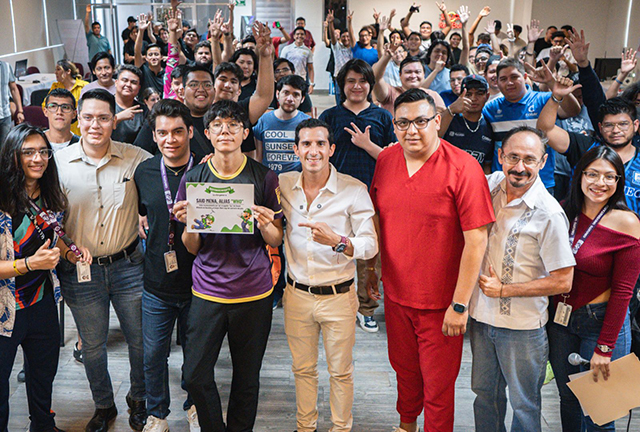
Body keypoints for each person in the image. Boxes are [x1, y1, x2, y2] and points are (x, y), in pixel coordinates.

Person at [367, 88, 494, 432]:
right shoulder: (386, 160)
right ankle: (406, 425)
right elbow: (379, 220)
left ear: (437, 121)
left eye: (421, 121)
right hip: (396, 295)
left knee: (438, 386)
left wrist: (459, 304)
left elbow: (476, 240)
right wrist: (372, 269)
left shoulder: (464, 168)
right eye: (403, 123)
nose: (412, 130)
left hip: (441, 303)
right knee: (405, 372)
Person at [172, 100, 283, 432]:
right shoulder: (194, 178)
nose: (225, 131)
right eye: (218, 125)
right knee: (193, 375)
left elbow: (276, 239)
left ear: (244, 133)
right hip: (208, 290)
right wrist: (190, 224)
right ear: (207, 133)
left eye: (233, 125)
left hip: (253, 292)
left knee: (247, 379)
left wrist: (265, 225)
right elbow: (190, 247)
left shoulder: (264, 177)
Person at [55, 89, 151, 432]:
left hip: (128, 267)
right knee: (93, 345)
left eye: (103, 118)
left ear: (115, 120)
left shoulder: (136, 157)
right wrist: (65, 250)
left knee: (141, 341)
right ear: (77, 120)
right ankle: (104, 405)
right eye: (88, 118)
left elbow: (173, 168)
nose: (95, 125)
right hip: (80, 272)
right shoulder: (58, 163)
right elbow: (48, 220)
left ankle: (138, 399)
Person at [468, 126, 575, 432]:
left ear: (543, 162)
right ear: (500, 156)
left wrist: (504, 290)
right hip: (481, 319)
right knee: (484, 396)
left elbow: (563, 281)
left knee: (525, 405)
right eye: (513, 157)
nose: (519, 167)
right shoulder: (490, 185)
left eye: (529, 159)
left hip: (523, 329)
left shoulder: (549, 214)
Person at [279, 118, 378, 432]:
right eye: (306, 144)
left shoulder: (353, 189)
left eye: (320, 143)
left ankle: (340, 428)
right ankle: (305, 427)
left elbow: (370, 243)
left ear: (331, 149)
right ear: (296, 149)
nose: (313, 151)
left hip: (338, 295)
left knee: (340, 371)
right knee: (303, 369)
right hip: (296, 294)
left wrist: (339, 241)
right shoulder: (281, 183)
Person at [0, 124, 90, 432]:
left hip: (42, 303)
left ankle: (42, 425)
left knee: (42, 374)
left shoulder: (50, 195)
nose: (38, 158)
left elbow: (58, 239)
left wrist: (70, 254)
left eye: (43, 151)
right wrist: (29, 264)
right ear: (13, 156)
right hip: (5, 309)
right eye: (28, 152)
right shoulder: (2, 199)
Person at [548, 146, 640, 432]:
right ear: (579, 176)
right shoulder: (564, 211)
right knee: (568, 400)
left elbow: (624, 292)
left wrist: (605, 347)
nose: (600, 183)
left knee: (600, 413)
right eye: (593, 174)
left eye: (610, 177)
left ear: (618, 182)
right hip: (561, 321)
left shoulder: (627, 222)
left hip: (601, 323)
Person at [133, 100, 199, 432]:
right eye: (162, 133)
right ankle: (157, 414)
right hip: (155, 284)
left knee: (197, 356)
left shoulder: (204, 171)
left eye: (177, 131)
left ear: (189, 131)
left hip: (199, 285)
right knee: (153, 356)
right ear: (154, 136)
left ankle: (195, 405)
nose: (170, 139)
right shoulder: (144, 172)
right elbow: (139, 211)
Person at [319, 59, 397, 332]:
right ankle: (336, 305)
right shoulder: (329, 117)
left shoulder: (383, 117)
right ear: (342, 85)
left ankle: (366, 309)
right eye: (351, 81)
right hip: (335, 194)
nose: (357, 86)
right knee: (333, 250)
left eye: (363, 81)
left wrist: (368, 145)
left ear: (370, 85)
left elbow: (393, 158)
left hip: (371, 194)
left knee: (366, 254)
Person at [483, 57, 580, 193]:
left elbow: (573, 111)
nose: (509, 83)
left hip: (541, 183)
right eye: (503, 79)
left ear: (525, 77)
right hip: (503, 184)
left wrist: (553, 84)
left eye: (514, 77)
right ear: (497, 82)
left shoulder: (544, 99)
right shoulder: (490, 108)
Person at [254, 74, 310, 174]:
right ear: (277, 94)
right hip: (268, 179)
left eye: (296, 95)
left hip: (297, 180)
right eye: (286, 93)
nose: (290, 99)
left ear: (302, 99)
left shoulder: (307, 123)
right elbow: (258, 157)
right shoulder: (263, 120)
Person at [438, 74, 494, 172]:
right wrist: (451, 109)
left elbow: (487, 165)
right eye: (468, 94)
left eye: (479, 93)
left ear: (487, 96)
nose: (473, 98)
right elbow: (433, 138)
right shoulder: (450, 119)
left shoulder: (489, 127)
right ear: (460, 96)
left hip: (473, 183)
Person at [372, 54, 445, 115]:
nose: (413, 76)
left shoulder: (433, 96)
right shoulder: (390, 93)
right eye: (408, 72)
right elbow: (376, 78)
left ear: (424, 74)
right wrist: (386, 56)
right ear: (400, 75)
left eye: (417, 72)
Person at [45, 60, 88, 136]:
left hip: (79, 128)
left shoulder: (84, 86)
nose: (55, 72)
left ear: (68, 71)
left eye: (58, 69)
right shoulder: (55, 86)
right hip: (60, 127)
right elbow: (45, 105)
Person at [327, 9, 354, 105]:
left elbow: (352, 35)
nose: (346, 38)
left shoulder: (354, 48)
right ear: (340, 37)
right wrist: (330, 23)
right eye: (343, 36)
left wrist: (350, 22)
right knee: (339, 101)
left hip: (351, 77)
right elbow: (333, 38)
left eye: (348, 36)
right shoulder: (337, 47)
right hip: (339, 77)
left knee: (350, 100)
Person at [112, 64, 145, 144]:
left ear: (138, 88)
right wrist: (117, 118)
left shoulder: (144, 111)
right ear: (116, 82)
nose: (128, 85)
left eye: (133, 82)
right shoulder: (104, 104)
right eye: (125, 80)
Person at [42, 88, 80, 153]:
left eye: (65, 107)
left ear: (74, 114)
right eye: (53, 106)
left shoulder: (81, 146)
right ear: (45, 111)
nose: (59, 112)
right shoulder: (36, 142)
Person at [0, 60, 24, 146]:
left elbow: (14, 89)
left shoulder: (6, 66)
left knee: (5, 147)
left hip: (5, 115)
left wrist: (20, 111)